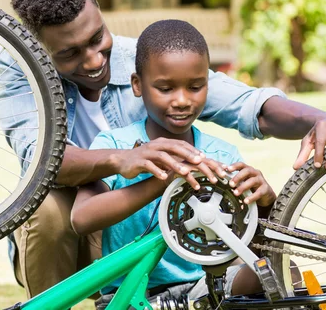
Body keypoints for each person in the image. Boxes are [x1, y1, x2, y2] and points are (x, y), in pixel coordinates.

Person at [0, 0, 326, 298]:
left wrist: (321, 119)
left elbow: (249, 106)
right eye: (70, 54)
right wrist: (126, 159)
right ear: (38, 50)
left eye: (96, 39)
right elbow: (41, 161)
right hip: (86, 225)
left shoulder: (144, 57)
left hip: (172, 250)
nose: (93, 60)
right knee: (46, 209)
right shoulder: (19, 68)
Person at [70, 19, 278, 307]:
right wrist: (163, 181)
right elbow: (82, 218)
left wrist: (265, 202)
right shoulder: (115, 144)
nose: (182, 101)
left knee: (278, 274)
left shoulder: (223, 155)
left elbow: (252, 245)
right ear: (137, 85)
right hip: (129, 294)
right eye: (165, 88)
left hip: (204, 288)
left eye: (195, 87)